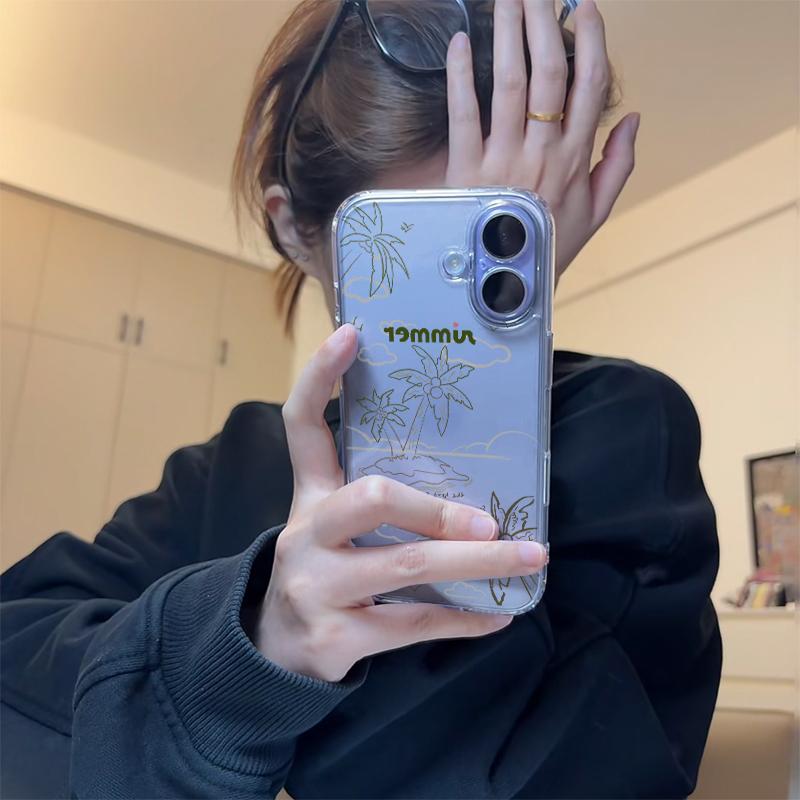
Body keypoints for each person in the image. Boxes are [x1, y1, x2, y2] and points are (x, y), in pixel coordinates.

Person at [0, 1, 722, 798]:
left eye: (492, 236)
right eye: (415, 243)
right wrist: (253, 644)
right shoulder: (228, 466)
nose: (448, 290)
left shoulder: (627, 426)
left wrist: (463, 376)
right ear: (296, 232)